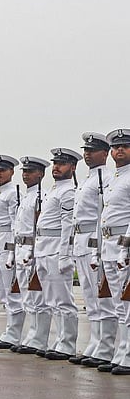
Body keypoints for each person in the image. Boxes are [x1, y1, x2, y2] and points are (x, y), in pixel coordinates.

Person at [71, 133, 114, 367]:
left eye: (92, 150)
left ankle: (107, 347)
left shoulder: (106, 178)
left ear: (104, 153)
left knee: (103, 299)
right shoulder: (87, 179)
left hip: (94, 241)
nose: (87, 153)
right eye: (85, 150)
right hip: (81, 241)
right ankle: (96, 344)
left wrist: (99, 248)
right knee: (90, 297)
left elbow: (102, 215)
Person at [37, 148, 80, 360]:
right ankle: (60, 341)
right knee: (51, 301)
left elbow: (67, 226)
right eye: (55, 163)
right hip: (44, 247)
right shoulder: (53, 190)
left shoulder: (69, 191)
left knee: (63, 301)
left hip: (56, 249)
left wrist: (65, 255)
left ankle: (68, 344)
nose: (56, 167)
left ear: (72, 167)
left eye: (62, 164)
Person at [97, 129, 130, 375]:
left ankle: (127, 356)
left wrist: (125, 249)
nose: (119, 150)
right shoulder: (114, 178)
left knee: (128, 305)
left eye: (125, 146)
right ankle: (120, 353)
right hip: (109, 244)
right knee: (118, 304)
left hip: (123, 245)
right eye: (116, 147)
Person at [0, 154, 23, 349]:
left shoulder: (13, 193)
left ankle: (15, 333)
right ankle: (10, 330)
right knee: (3, 291)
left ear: (11, 172)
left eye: (2, 170)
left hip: (6, 245)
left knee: (12, 292)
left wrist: (12, 251)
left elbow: (15, 224)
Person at [13, 157, 49, 355]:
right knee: (27, 298)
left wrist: (32, 250)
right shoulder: (26, 196)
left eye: (31, 171)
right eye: (25, 171)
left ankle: (40, 339)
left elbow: (38, 228)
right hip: (20, 249)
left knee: (38, 298)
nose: (26, 174)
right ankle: (32, 336)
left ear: (41, 174)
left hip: (32, 250)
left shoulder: (41, 196)